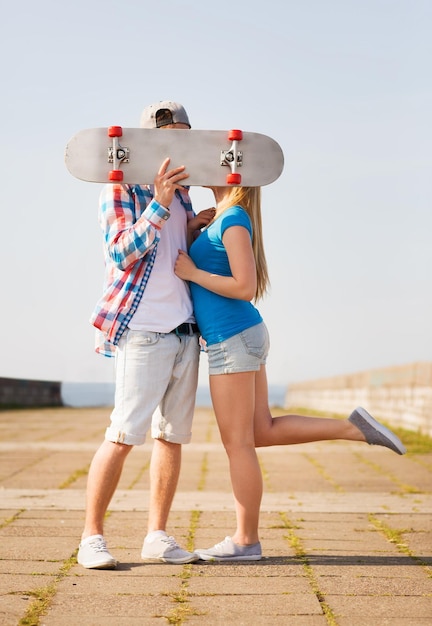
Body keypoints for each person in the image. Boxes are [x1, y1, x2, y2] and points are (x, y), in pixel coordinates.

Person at [174, 185, 406, 562]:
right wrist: (193, 232)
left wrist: (193, 273)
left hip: (231, 338)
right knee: (260, 431)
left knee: (239, 445)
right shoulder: (222, 218)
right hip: (240, 336)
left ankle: (246, 541)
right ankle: (353, 428)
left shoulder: (232, 218)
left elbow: (244, 287)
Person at [77, 101, 215, 569]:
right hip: (143, 331)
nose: (178, 146)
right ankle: (91, 537)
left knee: (171, 437)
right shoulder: (120, 189)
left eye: (185, 137)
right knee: (122, 434)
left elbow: (173, 253)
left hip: (185, 330)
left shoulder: (183, 196)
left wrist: (192, 226)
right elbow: (122, 252)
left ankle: (157, 535)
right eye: (170, 136)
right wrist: (157, 202)